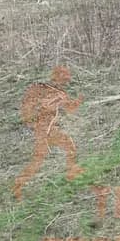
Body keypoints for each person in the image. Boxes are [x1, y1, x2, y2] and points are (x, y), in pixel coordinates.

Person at [13, 65, 83, 199]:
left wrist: (78, 101)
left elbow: (70, 108)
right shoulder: (51, 92)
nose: (67, 79)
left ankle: (72, 173)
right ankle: (18, 185)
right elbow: (44, 106)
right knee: (38, 161)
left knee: (69, 146)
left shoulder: (59, 92)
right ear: (57, 77)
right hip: (43, 132)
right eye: (64, 77)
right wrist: (57, 101)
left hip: (51, 130)